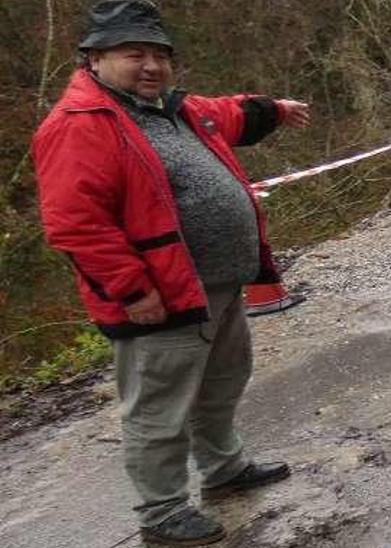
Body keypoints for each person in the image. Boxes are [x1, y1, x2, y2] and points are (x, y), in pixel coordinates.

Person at [32, 1, 312, 545]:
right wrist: (134, 292)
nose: (151, 65)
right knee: (158, 407)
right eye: (134, 53)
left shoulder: (170, 110)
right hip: (160, 294)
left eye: (160, 55)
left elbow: (227, 114)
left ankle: (223, 469)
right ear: (93, 59)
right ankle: (161, 513)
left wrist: (273, 109)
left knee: (221, 383)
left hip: (221, 286)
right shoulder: (80, 125)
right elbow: (76, 224)